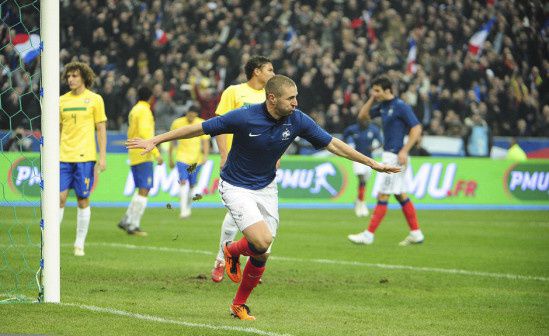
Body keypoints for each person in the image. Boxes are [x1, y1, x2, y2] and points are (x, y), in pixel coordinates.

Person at [126, 75, 400, 320]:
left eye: (296, 97)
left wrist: (371, 163)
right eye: (290, 98)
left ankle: (238, 299)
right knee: (262, 240)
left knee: (263, 252)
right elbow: (201, 128)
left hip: (267, 188)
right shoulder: (244, 117)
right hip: (235, 186)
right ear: (272, 99)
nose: (295, 103)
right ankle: (232, 250)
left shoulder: (297, 119)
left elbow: (333, 144)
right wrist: (157, 140)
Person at [211, 56, 275, 283]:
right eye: (269, 69)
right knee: (236, 215)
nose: (273, 73)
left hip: (263, 166)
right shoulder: (234, 92)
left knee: (261, 220)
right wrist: (223, 155)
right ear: (256, 71)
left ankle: (239, 262)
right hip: (237, 163)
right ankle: (222, 259)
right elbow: (218, 125)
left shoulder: (272, 96)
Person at [347, 75, 425, 246]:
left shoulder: (400, 106)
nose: (374, 93)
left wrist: (405, 150)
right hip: (389, 155)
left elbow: (417, 127)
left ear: (388, 90)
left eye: (377, 91)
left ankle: (368, 235)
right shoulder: (383, 106)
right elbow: (362, 118)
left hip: (396, 155)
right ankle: (416, 232)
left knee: (383, 194)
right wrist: (371, 99)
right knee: (399, 194)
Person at [59, 61, 107, 257]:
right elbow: (58, 129)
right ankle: (52, 242)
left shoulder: (95, 100)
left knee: (82, 199)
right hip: (63, 156)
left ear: (84, 78)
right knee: (59, 199)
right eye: (69, 76)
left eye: (75, 76)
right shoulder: (61, 100)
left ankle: (79, 243)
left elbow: (101, 129)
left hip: (85, 157)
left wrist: (102, 157)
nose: (71, 79)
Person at [117, 86, 163, 236]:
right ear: (151, 97)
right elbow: (145, 133)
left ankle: (126, 219)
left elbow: (132, 132)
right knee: (144, 189)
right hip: (144, 153)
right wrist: (156, 153)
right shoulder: (145, 111)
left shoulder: (134, 109)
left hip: (134, 153)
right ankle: (133, 224)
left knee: (141, 189)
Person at [168, 105, 210, 218]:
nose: (191, 116)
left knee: (192, 185)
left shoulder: (201, 123)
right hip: (182, 157)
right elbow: (172, 140)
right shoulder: (177, 123)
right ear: (187, 113)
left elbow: (205, 141)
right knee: (182, 181)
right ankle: (183, 211)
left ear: (196, 114)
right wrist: (170, 157)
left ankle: (188, 208)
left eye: (193, 114)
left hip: (197, 160)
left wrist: (205, 155)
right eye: (189, 113)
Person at [342, 119, 383, 217]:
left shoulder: (374, 129)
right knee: (361, 178)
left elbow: (381, 142)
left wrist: (374, 148)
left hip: (369, 159)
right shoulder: (352, 129)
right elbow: (343, 138)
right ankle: (362, 202)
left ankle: (358, 200)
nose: (364, 122)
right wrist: (348, 148)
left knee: (364, 181)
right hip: (357, 158)